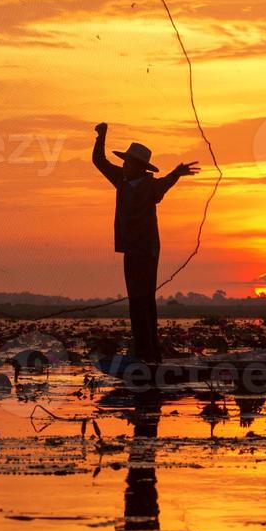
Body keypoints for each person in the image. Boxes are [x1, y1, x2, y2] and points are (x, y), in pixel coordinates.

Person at [91, 122, 199, 363]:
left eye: (128, 163)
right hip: (130, 249)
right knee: (135, 301)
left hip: (148, 251)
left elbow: (166, 183)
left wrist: (176, 173)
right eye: (124, 162)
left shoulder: (151, 186)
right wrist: (101, 136)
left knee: (145, 300)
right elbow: (99, 161)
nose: (123, 166)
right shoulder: (121, 180)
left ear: (139, 168)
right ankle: (145, 352)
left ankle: (150, 353)